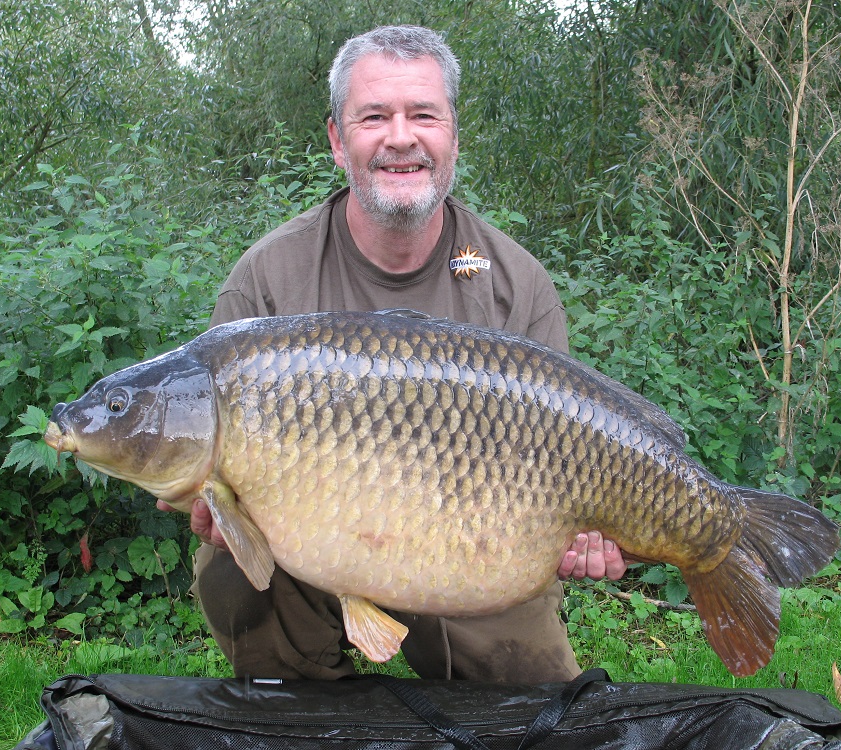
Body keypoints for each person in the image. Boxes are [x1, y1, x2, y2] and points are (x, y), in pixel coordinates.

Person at [160, 24, 627, 683]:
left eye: (423, 115)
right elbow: (216, 470)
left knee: (527, 702)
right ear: (336, 139)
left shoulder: (517, 287)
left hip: (473, 548)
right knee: (235, 572)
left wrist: (590, 534)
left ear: (453, 137)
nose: (400, 136)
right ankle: (306, 707)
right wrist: (220, 505)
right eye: (374, 116)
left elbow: (563, 457)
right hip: (310, 547)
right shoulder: (268, 279)